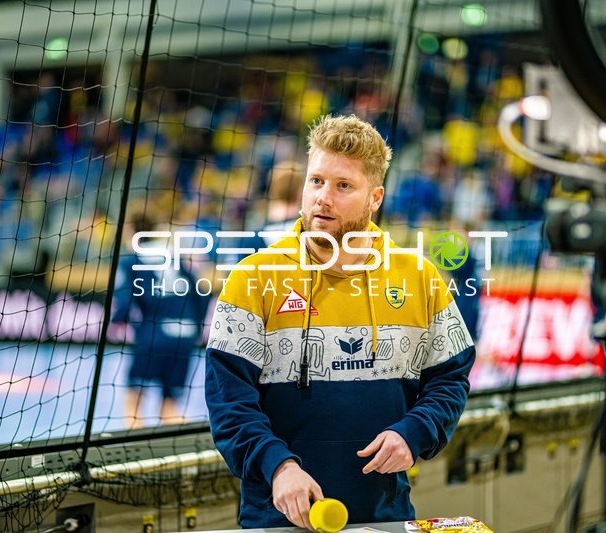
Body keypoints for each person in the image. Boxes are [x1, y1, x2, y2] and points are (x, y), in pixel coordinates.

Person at [205, 114, 476, 529]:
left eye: (343, 186)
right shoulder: (252, 278)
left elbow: (451, 377)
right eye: (316, 181)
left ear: (375, 198)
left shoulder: (418, 277)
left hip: (385, 516)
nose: (322, 198)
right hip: (277, 519)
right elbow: (230, 403)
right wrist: (278, 467)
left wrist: (414, 432)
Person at [111, 210, 211, 428]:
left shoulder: (132, 259)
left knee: (134, 402)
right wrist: (195, 328)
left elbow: (125, 299)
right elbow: (201, 294)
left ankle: (133, 455)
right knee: (169, 408)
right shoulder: (174, 256)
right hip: (185, 335)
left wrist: (117, 322)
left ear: (131, 230)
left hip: (154, 335)